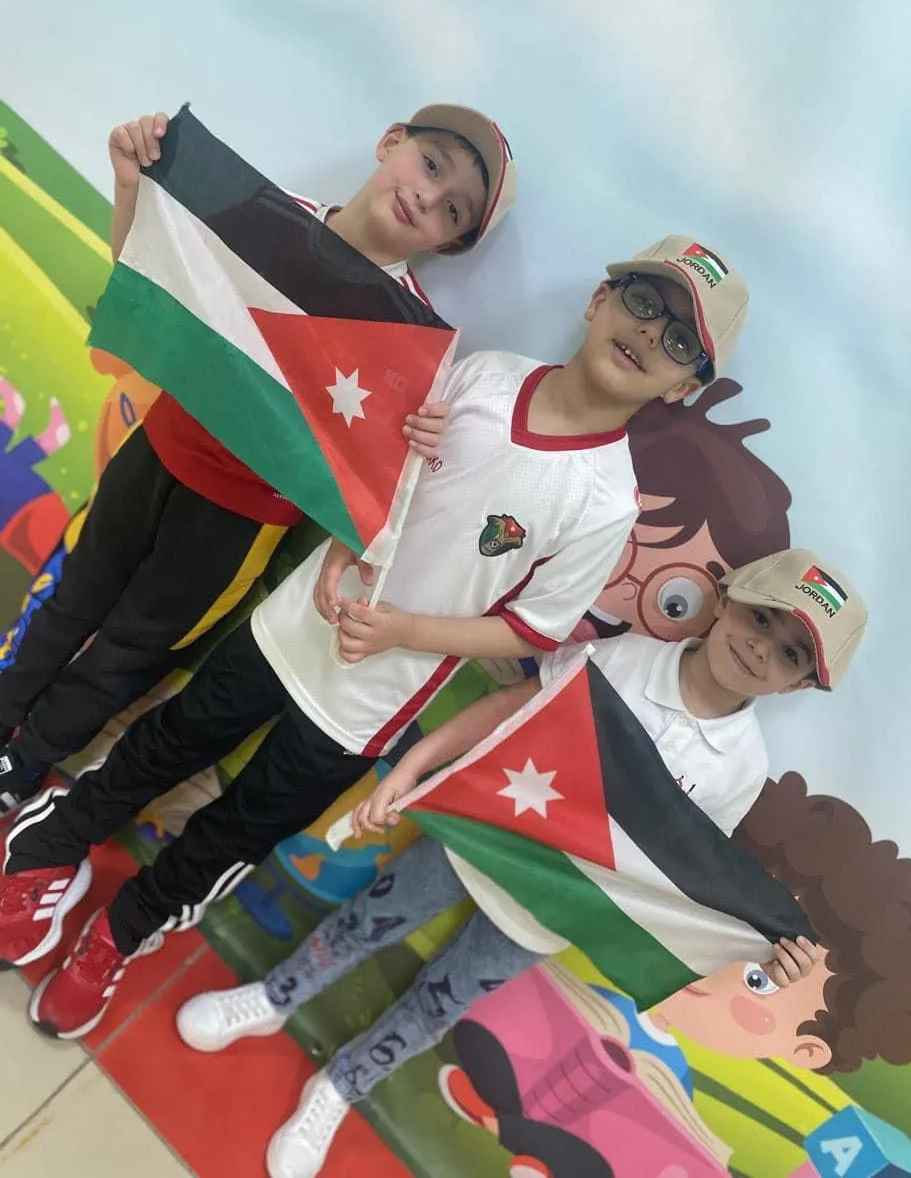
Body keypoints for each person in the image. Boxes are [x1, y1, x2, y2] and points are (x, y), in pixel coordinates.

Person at [0, 235, 749, 1053]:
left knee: (240, 828)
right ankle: (52, 847)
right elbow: (377, 473)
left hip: (367, 706)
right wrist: (340, 545)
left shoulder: (607, 503)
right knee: (168, 740)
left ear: (682, 386)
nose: (648, 333)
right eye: (644, 302)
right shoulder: (482, 375)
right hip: (292, 629)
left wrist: (406, 631)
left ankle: (121, 933)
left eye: (679, 340)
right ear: (599, 299)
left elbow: (530, 629)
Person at [172, 545, 860, 1178]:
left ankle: (342, 1084)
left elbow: (689, 883)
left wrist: (766, 960)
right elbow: (514, 707)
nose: (761, 646)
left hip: (549, 913)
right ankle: (276, 996)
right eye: (762, 617)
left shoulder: (742, 768)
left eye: (791, 651)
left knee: (442, 1001)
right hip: (479, 838)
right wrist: (413, 769)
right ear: (726, 599)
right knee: (365, 922)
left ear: (799, 684)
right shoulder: (625, 660)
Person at [0, 101, 516, 813]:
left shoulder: (417, 349)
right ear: (390, 141)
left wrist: (423, 440)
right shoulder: (259, 217)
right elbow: (146, 286)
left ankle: (21, 766)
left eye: (452, 209)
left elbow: (387, 480)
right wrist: (129, 186)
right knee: (70, 597)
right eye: (431, 164)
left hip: (237, 524)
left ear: (449, 243)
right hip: (154, 450)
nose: (428, 196)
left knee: (129, 650)